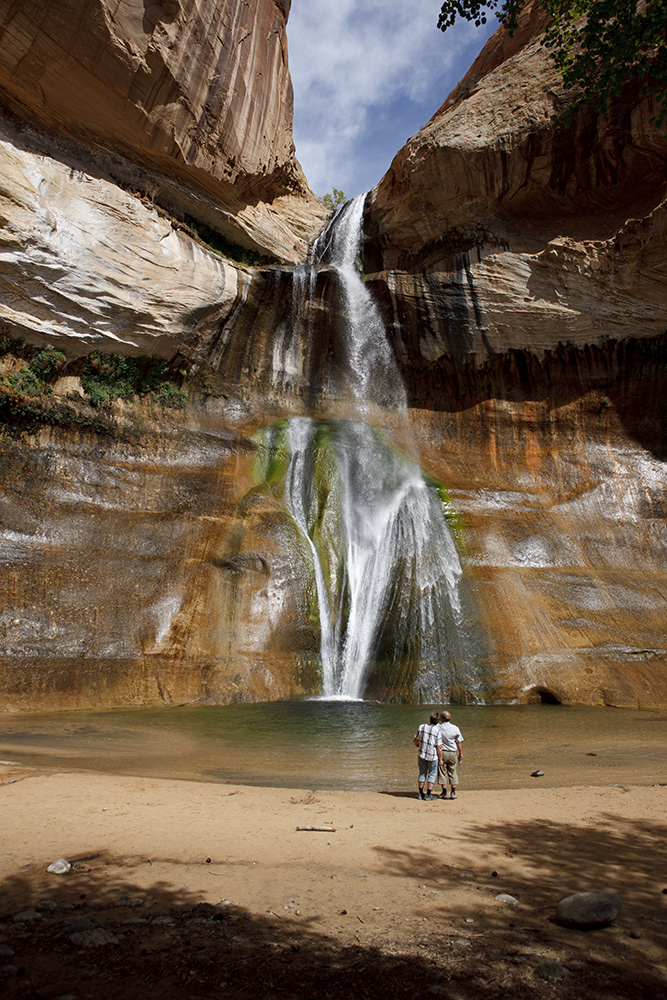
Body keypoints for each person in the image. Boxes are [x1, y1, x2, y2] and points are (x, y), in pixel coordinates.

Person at [413, 712, 443, 800]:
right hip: (432, 756)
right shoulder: (437, 730)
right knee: (432, 774)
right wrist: (440, 759)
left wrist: (417, 745)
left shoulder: (421, 726)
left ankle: (420, 793)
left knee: (422, 773)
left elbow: (415, 739)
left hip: (421, 754)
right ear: (437, 721)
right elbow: (439, 747)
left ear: (430, 719)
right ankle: (428, 794)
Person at [436, 710, 464, 799]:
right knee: (452, 771)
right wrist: (460, 753)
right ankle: (453, 792)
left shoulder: (438, 727)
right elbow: (458, 742)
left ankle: (444, 792)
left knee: (442, 772)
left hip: (442, 752)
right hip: (452, 753)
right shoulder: (455, 728)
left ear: (442, 719)